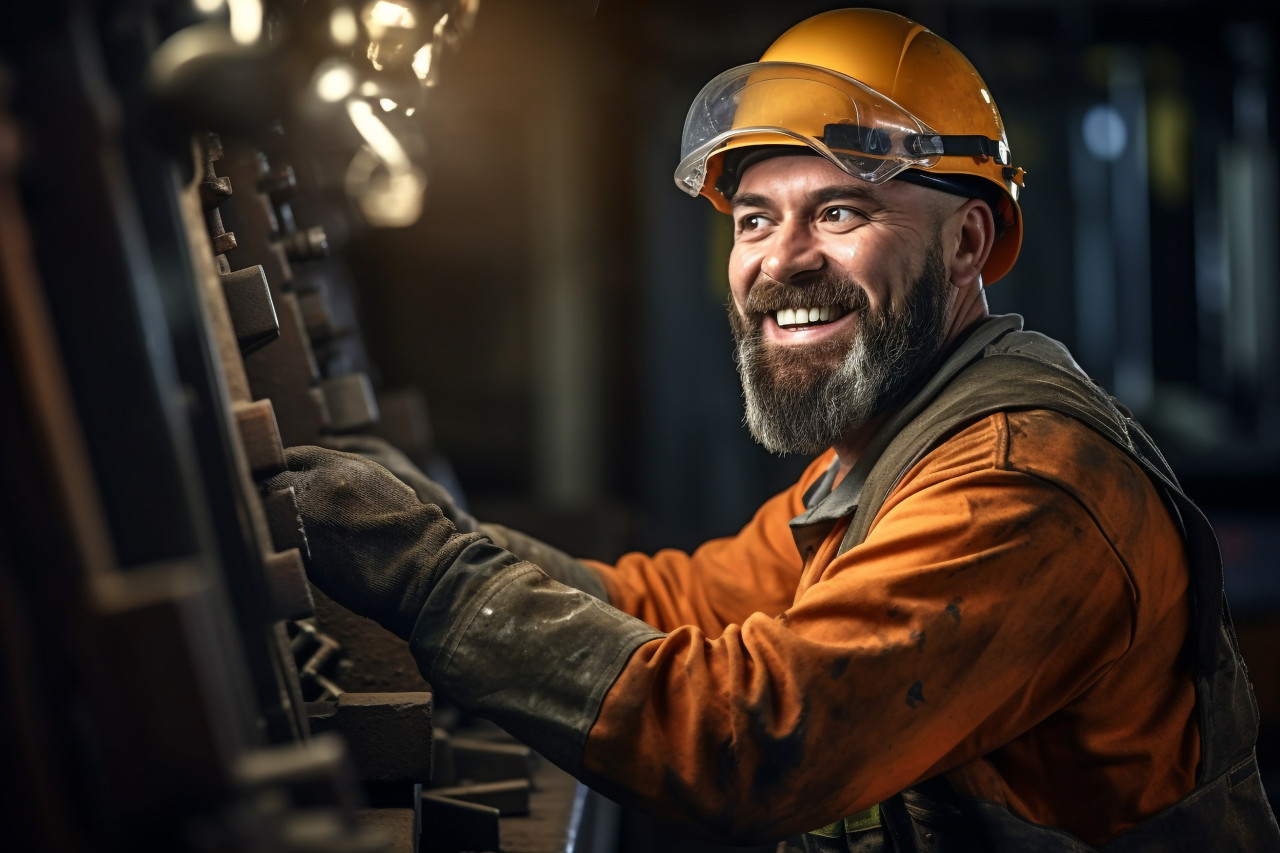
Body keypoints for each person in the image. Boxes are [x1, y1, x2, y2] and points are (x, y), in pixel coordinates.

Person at [268, 9, 1280, 851]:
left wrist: (437, 579)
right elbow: (685, 605)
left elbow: (757, 739)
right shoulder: (891, 450)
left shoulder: (1017, 488)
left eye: (837, 211)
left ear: (967, 239)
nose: (780, 260)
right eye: (753, 218)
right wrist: (429, 532)